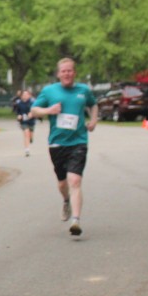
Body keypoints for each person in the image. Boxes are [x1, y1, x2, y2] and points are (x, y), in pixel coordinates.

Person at [30, 58, 98, 237]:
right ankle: (66, 200)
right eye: (63, 71)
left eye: (70, 70)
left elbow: (93, 104)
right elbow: (34, 110)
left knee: (74, 181)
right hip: (57, 143)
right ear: (58, 74)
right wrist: (49, 110)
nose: (67, 74)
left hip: (79, 142)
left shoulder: (83, 90)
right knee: (62, 183)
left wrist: (93, 120)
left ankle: (76, 221)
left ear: (74, 73)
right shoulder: (49, 91)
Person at [13, 89, 36, 156]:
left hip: (31, 121)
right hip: (23, 121)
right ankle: (27, 150)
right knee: (26, 133)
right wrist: (18, 115)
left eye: (26, 94)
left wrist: (32, 113)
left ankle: (31, 138)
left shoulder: (32, 102)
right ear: (21, 96)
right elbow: (16, 111)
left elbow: (36, 110)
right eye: (23, 95)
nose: (25, 96)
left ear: (29, 95)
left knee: (30, 135)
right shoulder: (18, 103)